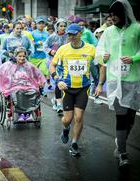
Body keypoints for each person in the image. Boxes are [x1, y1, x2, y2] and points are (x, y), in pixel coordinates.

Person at [95, 0, 140, 169]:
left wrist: (134, 58)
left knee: (130, 118)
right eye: (110, 15)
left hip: (134, 81)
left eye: (115, 15)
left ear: (124, 14)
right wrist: (103, 57)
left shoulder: (139, 29)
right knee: (121, 118)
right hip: (115, 81)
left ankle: (120, 140)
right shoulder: (108, 32)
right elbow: (99, 51)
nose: (112, 18)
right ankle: (122, 152)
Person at [50, 23, 95, 157]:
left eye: (74, 34)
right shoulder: (63, 49)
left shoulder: (90, 49)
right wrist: (58, 80)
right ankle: (65, 129)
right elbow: (52, 66)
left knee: (79, 117)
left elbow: (100, 63)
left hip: (83, 87)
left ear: (80, 33)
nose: (71, 36)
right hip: (67, 88)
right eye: (69, 34)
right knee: (67, 119)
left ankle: (74, 143)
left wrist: (99, 83)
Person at [0, 47, 46, 121]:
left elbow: (39, 74)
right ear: (15, 56)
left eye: (24, 56)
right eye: (20, 56)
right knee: (18, 92)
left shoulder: (29, 65)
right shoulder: (8, 65)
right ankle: (20, 114)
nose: (22, 58)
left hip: (28, 85)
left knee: (34, 92)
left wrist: (41, 83)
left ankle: (28, 114)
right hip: (13, 86)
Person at [45, 18, 68, 114]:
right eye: (61, 26)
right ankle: (59, 105)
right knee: (58, 82)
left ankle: (55, 100)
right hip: (55, 64)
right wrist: (51, 51)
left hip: (66, 64)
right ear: (57, 27)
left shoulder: (68, 36)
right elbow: (45, 46)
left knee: (66, 84)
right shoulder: (52, 37)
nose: (63, 28)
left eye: (64, 26)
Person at [29, 17, 50, 94]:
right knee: (34, 74)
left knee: (44, 72)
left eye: (42, 23)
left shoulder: (47, 34)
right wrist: (38, 43)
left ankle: (42, 88)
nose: (41, 25)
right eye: (39, 23)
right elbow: (31, 44)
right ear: (36, 24)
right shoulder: (32, 33)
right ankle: (36, 87)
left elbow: (49, 44)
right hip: (34, 56)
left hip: (44, 56)